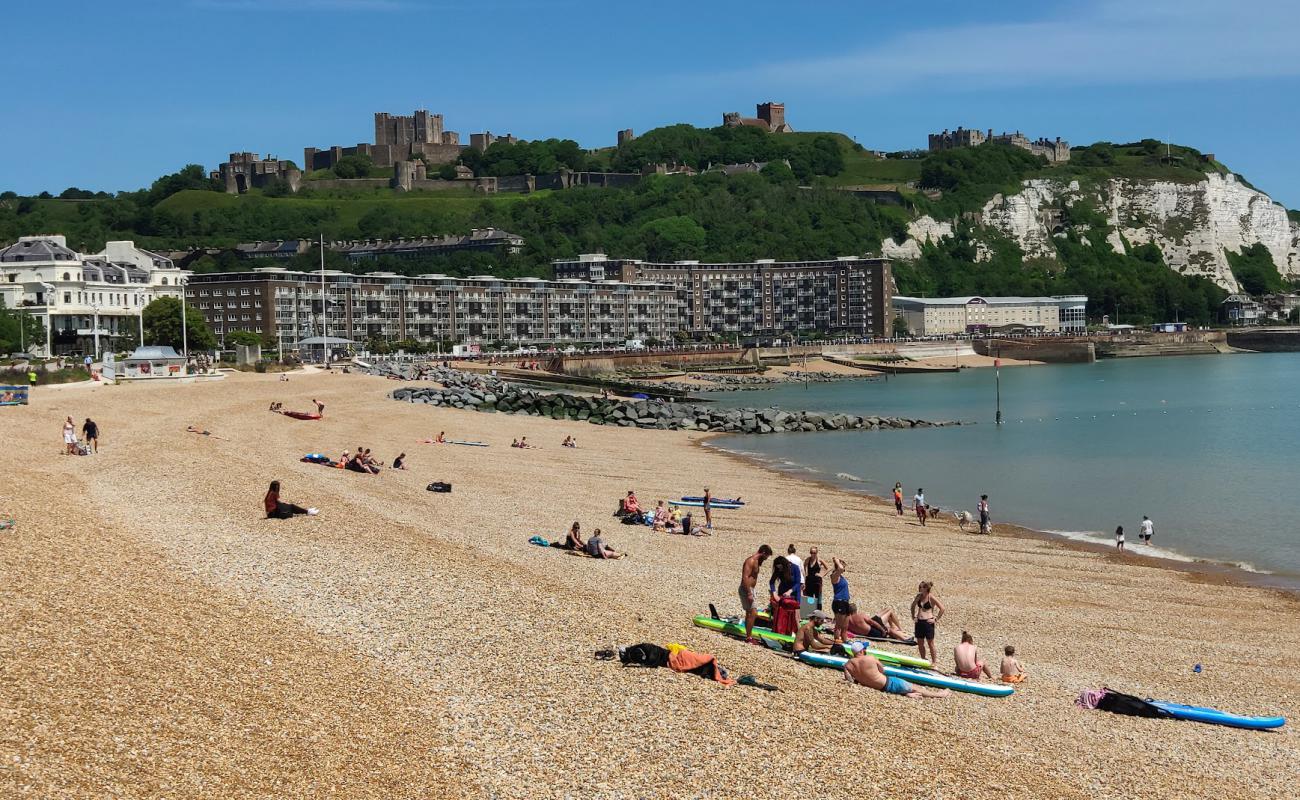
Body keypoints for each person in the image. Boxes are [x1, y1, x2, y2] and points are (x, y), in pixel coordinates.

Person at [843, 648, 949, 699]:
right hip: (889, 683)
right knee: (916, 687)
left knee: (904, 688)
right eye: (864, 649)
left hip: (881, 688)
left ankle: (907, 694)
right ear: (861, 651)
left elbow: (849, 680)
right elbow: (882, 670)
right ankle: (939, 695)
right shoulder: (870, 658)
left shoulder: (849, 665)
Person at [739, 545, 773, 643]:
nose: (766, 559)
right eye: (766, 557)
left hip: (751, 589)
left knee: (749, 612)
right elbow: (745, 577)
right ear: (763, 553)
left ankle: (748, 635)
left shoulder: (757, 562)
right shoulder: (751, 561)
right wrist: (749, 592)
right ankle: (749, 637)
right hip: (747, 589)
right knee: (753, 612)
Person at [910, 581, 944, 665]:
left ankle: (934, 662)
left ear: (926, 588)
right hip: (919, 622)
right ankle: (923, 659)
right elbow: (913, 606)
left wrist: (935, 619)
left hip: (928, 622)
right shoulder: (918, 596)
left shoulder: (931, 597)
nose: (920, 588)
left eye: (922, 587)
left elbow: (942, 608)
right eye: (919, 587)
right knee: (920, 642)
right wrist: (913, 616)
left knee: (930, 643)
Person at [829, 558, 852, 642]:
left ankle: (845, 640)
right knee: (838, 625)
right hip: (839, 602)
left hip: (845, 602)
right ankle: (836, 641)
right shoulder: (834, 576)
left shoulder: (841, 577)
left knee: (845, 626)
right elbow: (840, 568)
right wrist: (836, 561)